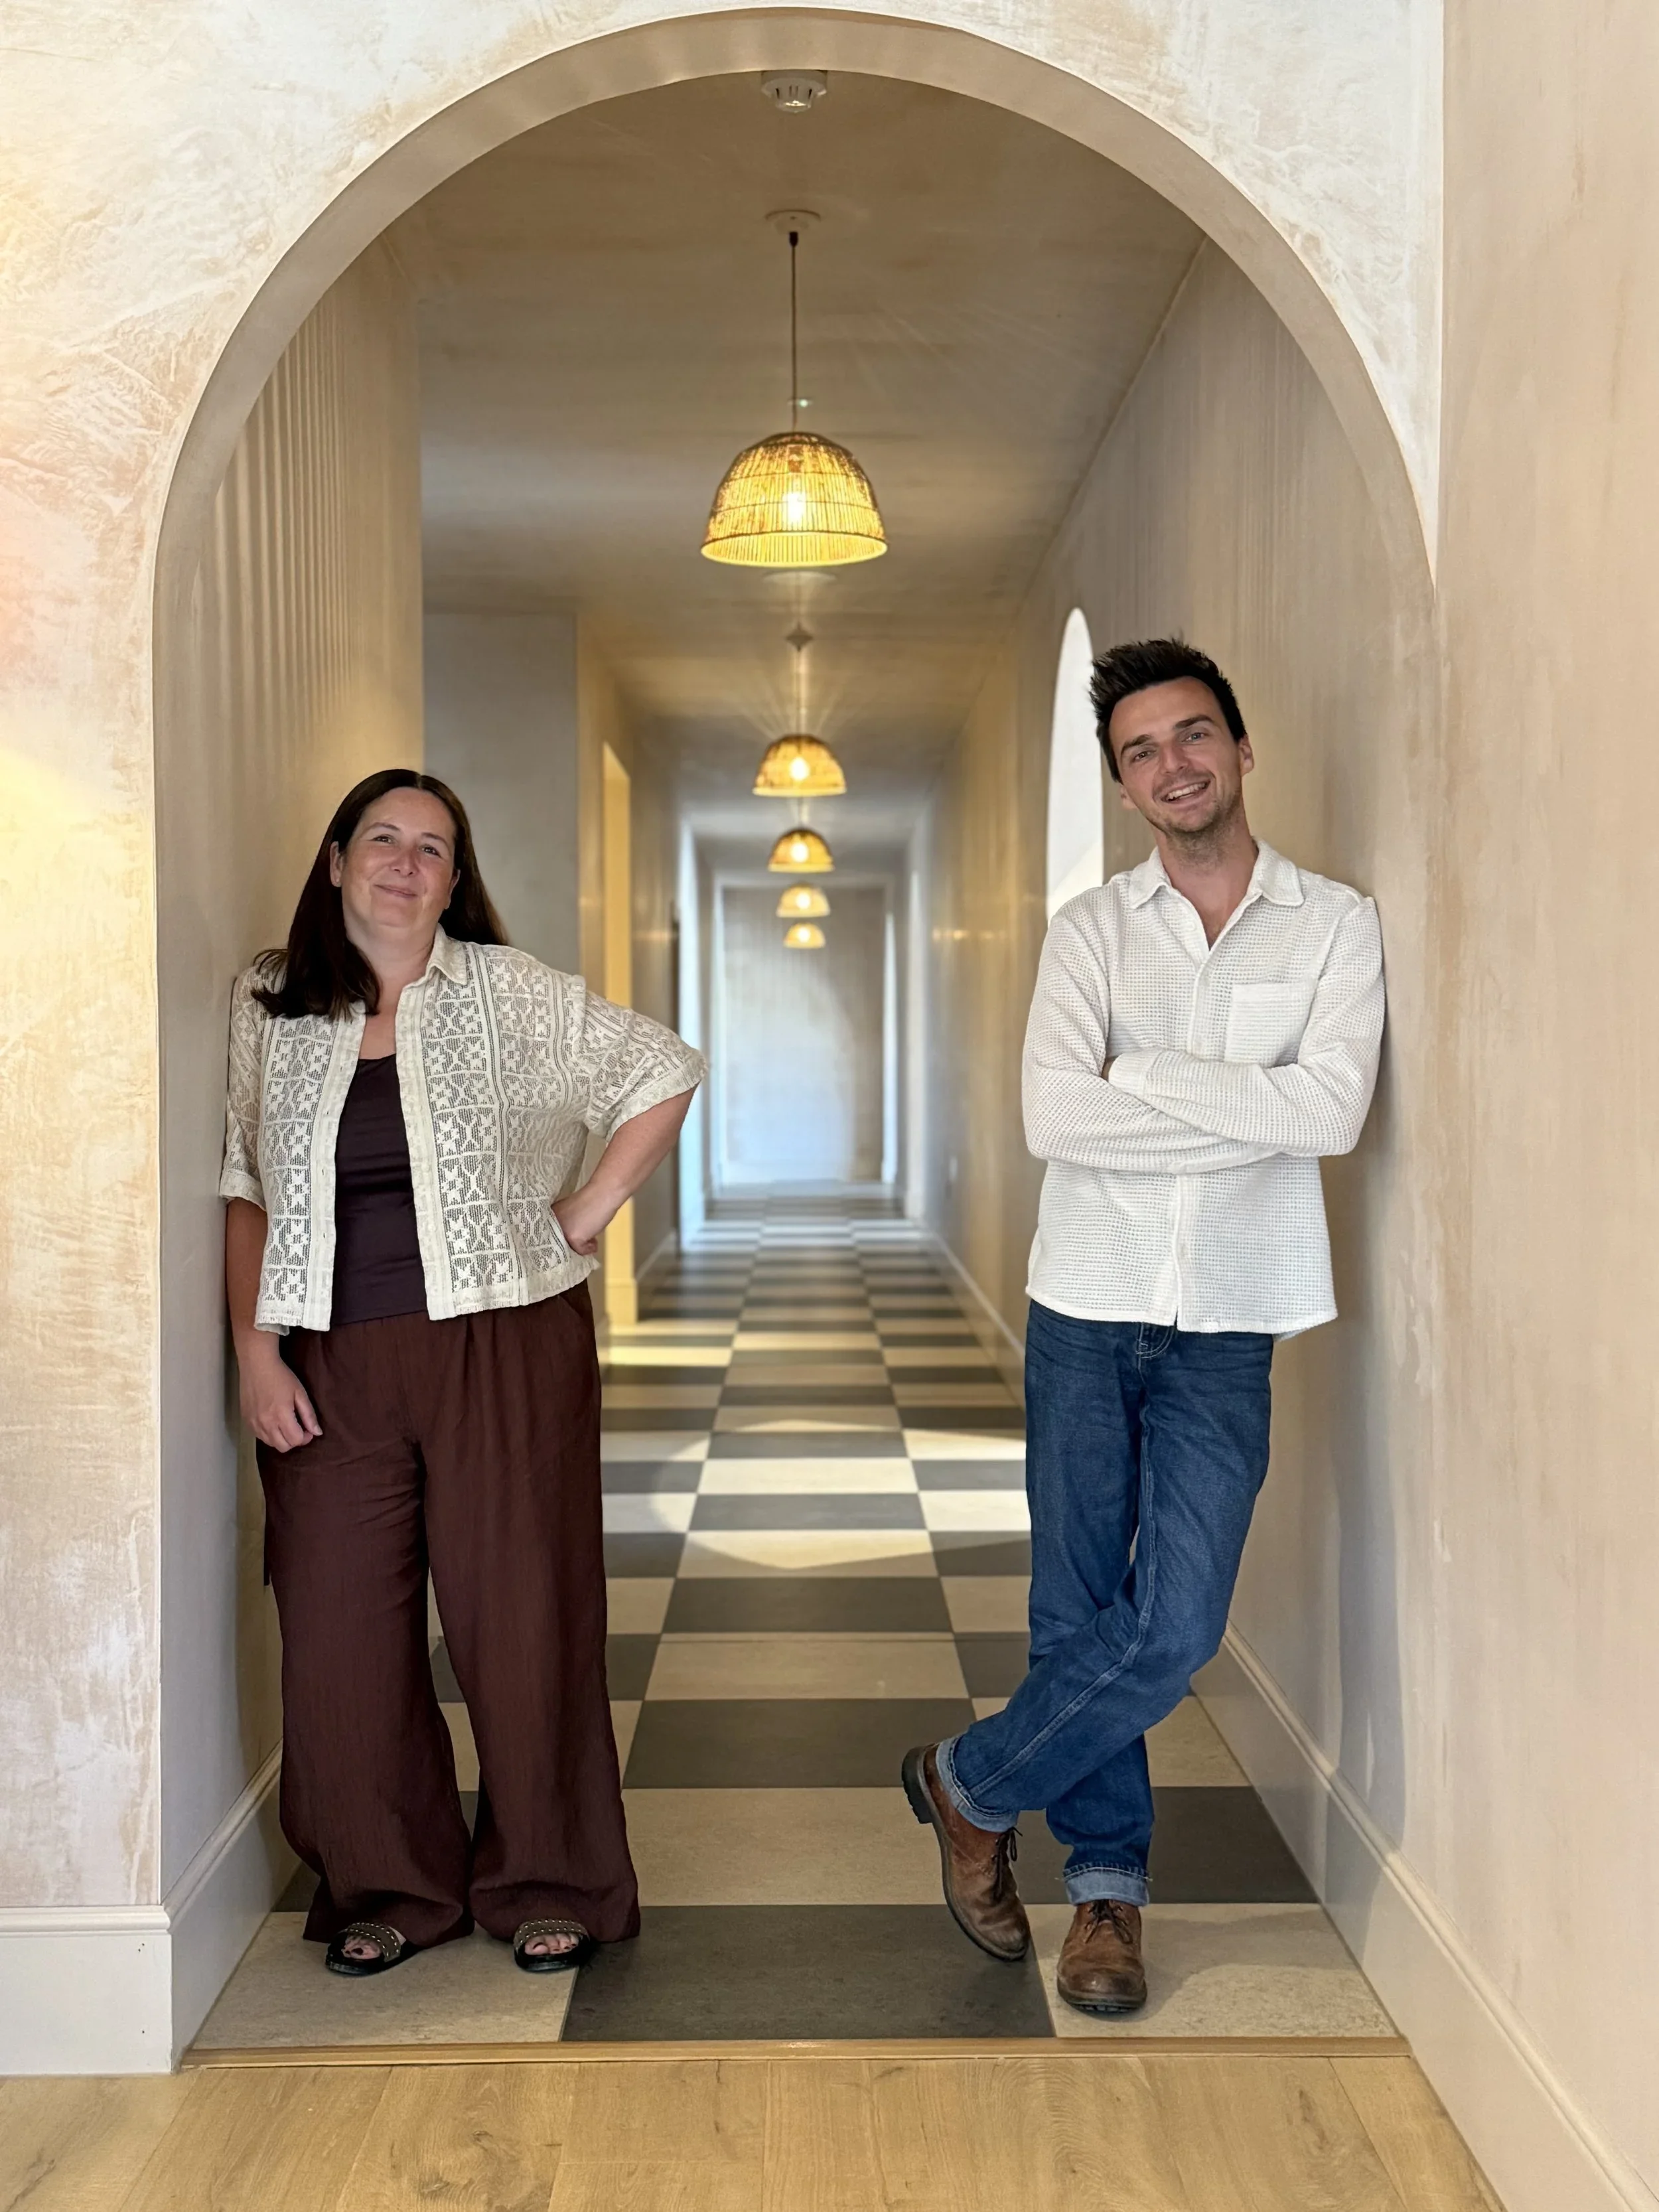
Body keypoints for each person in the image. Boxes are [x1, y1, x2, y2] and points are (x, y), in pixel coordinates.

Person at [903, 638, 1384, 2014]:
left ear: (1239, 748)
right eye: (1139, 750)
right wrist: (1241, 1095)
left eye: (1191, 736)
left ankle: (967, 1783)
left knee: (1171, 1622)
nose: (1170, 763)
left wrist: (1148, 1074)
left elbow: (1331, 1114)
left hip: (1234, 1314)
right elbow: (1055, 1117)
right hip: (1085, 1302)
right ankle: (1105, 1897)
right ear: (1121, 785)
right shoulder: (1088, 933)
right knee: (1075, 1612)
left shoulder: (1333, 925)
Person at [222, 767, 704, 1978]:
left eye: (433, 847)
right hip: (329, 1359)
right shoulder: (269, 1002)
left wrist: (586, 1212)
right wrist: (253, 1348)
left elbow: (664, 1066)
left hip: (507, 1342)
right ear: (335, 861)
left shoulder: (511, 990)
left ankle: (550, 1876)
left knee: (524, 1619)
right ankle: (392, 1882)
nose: (404, 862)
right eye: (380, 838)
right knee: (337, 1636)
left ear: (455, 879)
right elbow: (246, 1185)